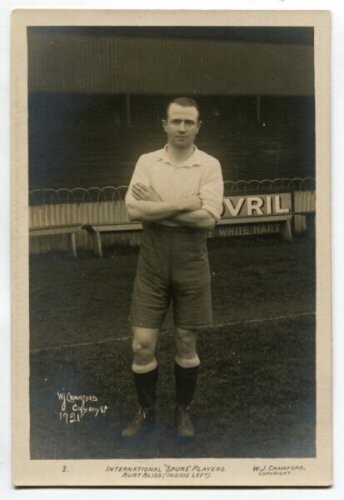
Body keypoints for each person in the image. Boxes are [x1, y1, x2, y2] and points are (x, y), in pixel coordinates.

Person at [122, 97, 224, 439]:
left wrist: (158, 205)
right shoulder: (147, 162)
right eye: (176, 121)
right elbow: (134, 212)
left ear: (198, 127)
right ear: (164, 124)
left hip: (191, 260)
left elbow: (207, 219)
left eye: (188, 122)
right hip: (152, 260)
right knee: (142, 345)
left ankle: (183, 410)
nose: (182, 128)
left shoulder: (209, 165)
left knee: (185, 342)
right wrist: (183, 204)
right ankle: (146, 411)